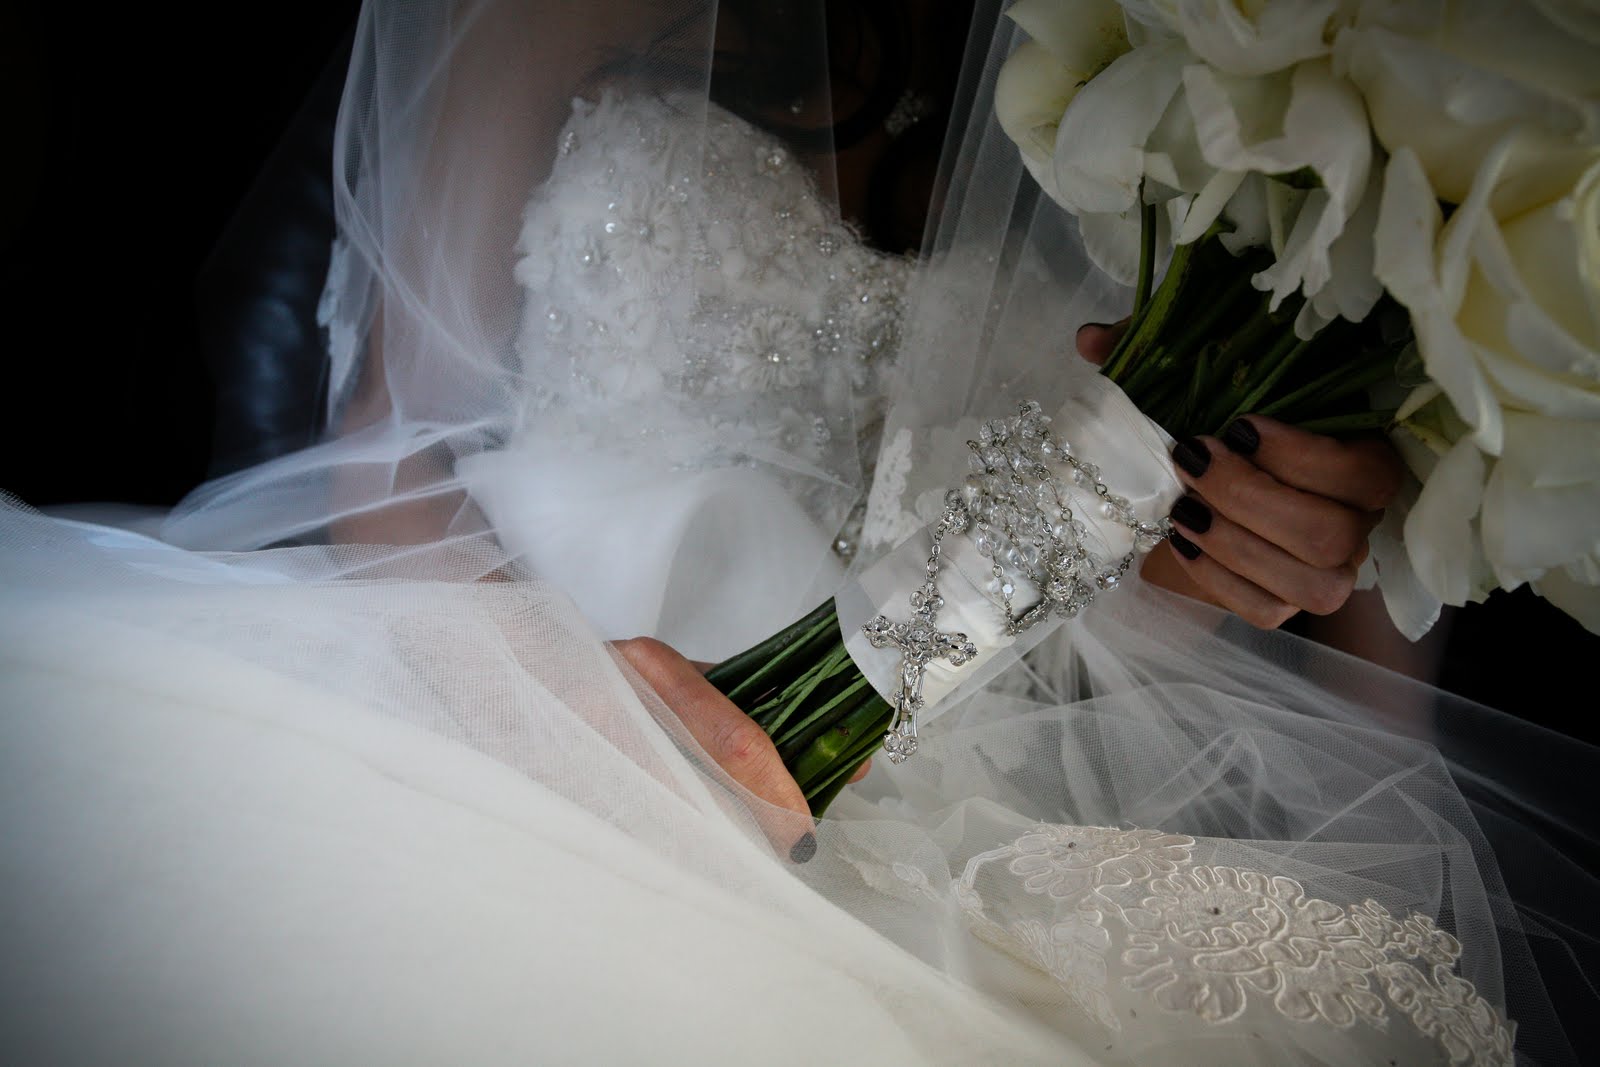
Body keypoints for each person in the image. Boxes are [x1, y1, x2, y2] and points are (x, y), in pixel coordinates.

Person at [1, 1, 1594, 1064]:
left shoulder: (1286, 75)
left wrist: (1247, 569)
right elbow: (391, 463)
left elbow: (1348, 671)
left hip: (991, 775)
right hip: (532, 668)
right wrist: (574, 724)